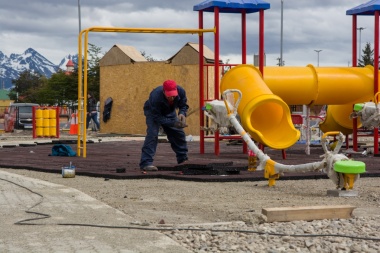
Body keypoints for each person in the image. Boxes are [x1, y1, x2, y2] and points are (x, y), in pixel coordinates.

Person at [139, 80, 189, 171]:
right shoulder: (155, 96)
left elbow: (183, 105)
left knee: (178, 133)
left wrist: (182, 113)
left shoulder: (181, 91)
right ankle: (146, 163)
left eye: (174, 95)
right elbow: (157, 117)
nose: (172, 98)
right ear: (163, 92)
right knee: (152, 135)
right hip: (153, 113)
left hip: (169, 111)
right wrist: (173, 123)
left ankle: (183, 160)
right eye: (169, 96)